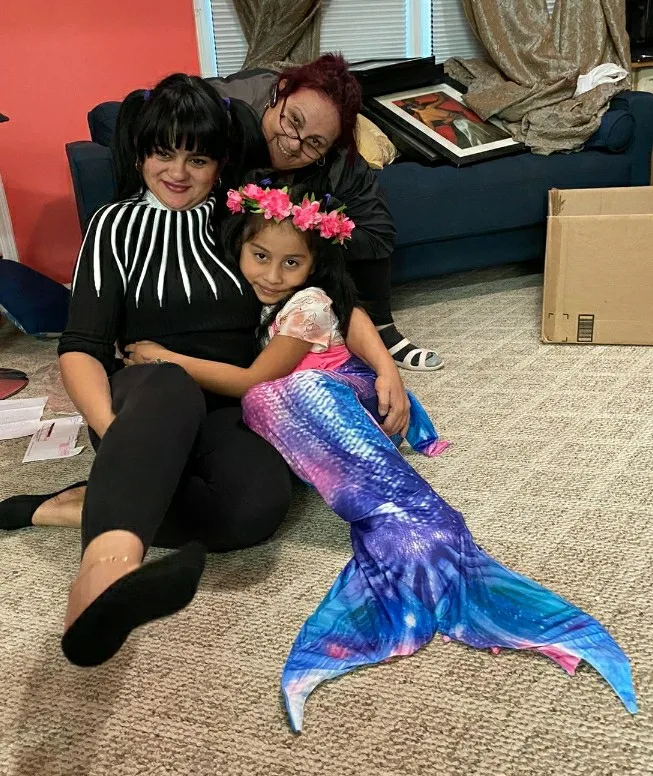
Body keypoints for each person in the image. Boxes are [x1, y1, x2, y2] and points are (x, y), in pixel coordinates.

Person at [126, 177, 636, 732]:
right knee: (270, 403)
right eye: (260, 256)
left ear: (313, 267)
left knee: (266, 395)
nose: (272, 275)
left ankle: (424, 531)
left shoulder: (307, 303)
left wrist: (165, 358)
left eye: (292, 263)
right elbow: (349, 315)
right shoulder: (261, 299)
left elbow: (257, 376)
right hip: (333, 405)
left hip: (348, 398)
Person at [0, 74, 409, 667]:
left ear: (219, 163)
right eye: (163, 153)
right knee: (171, 381)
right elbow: (81, 345)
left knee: (254, 509)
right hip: (146, 396)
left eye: (197, 158)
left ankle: (75, 504)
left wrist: (386, 368)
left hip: (231, 400)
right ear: (140, 154)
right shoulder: (112, 226)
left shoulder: (246, 215)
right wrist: (117, 434)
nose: (178, 172)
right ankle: (101, 582)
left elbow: (328, 296)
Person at [206, 53, 444, 372]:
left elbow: (378, 235)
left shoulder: (342, 161)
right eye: (293, 120)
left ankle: (380, 328)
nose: (293, 144)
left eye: (314, 143)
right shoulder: (226, 107)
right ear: (281, 91)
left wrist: (311, 229)